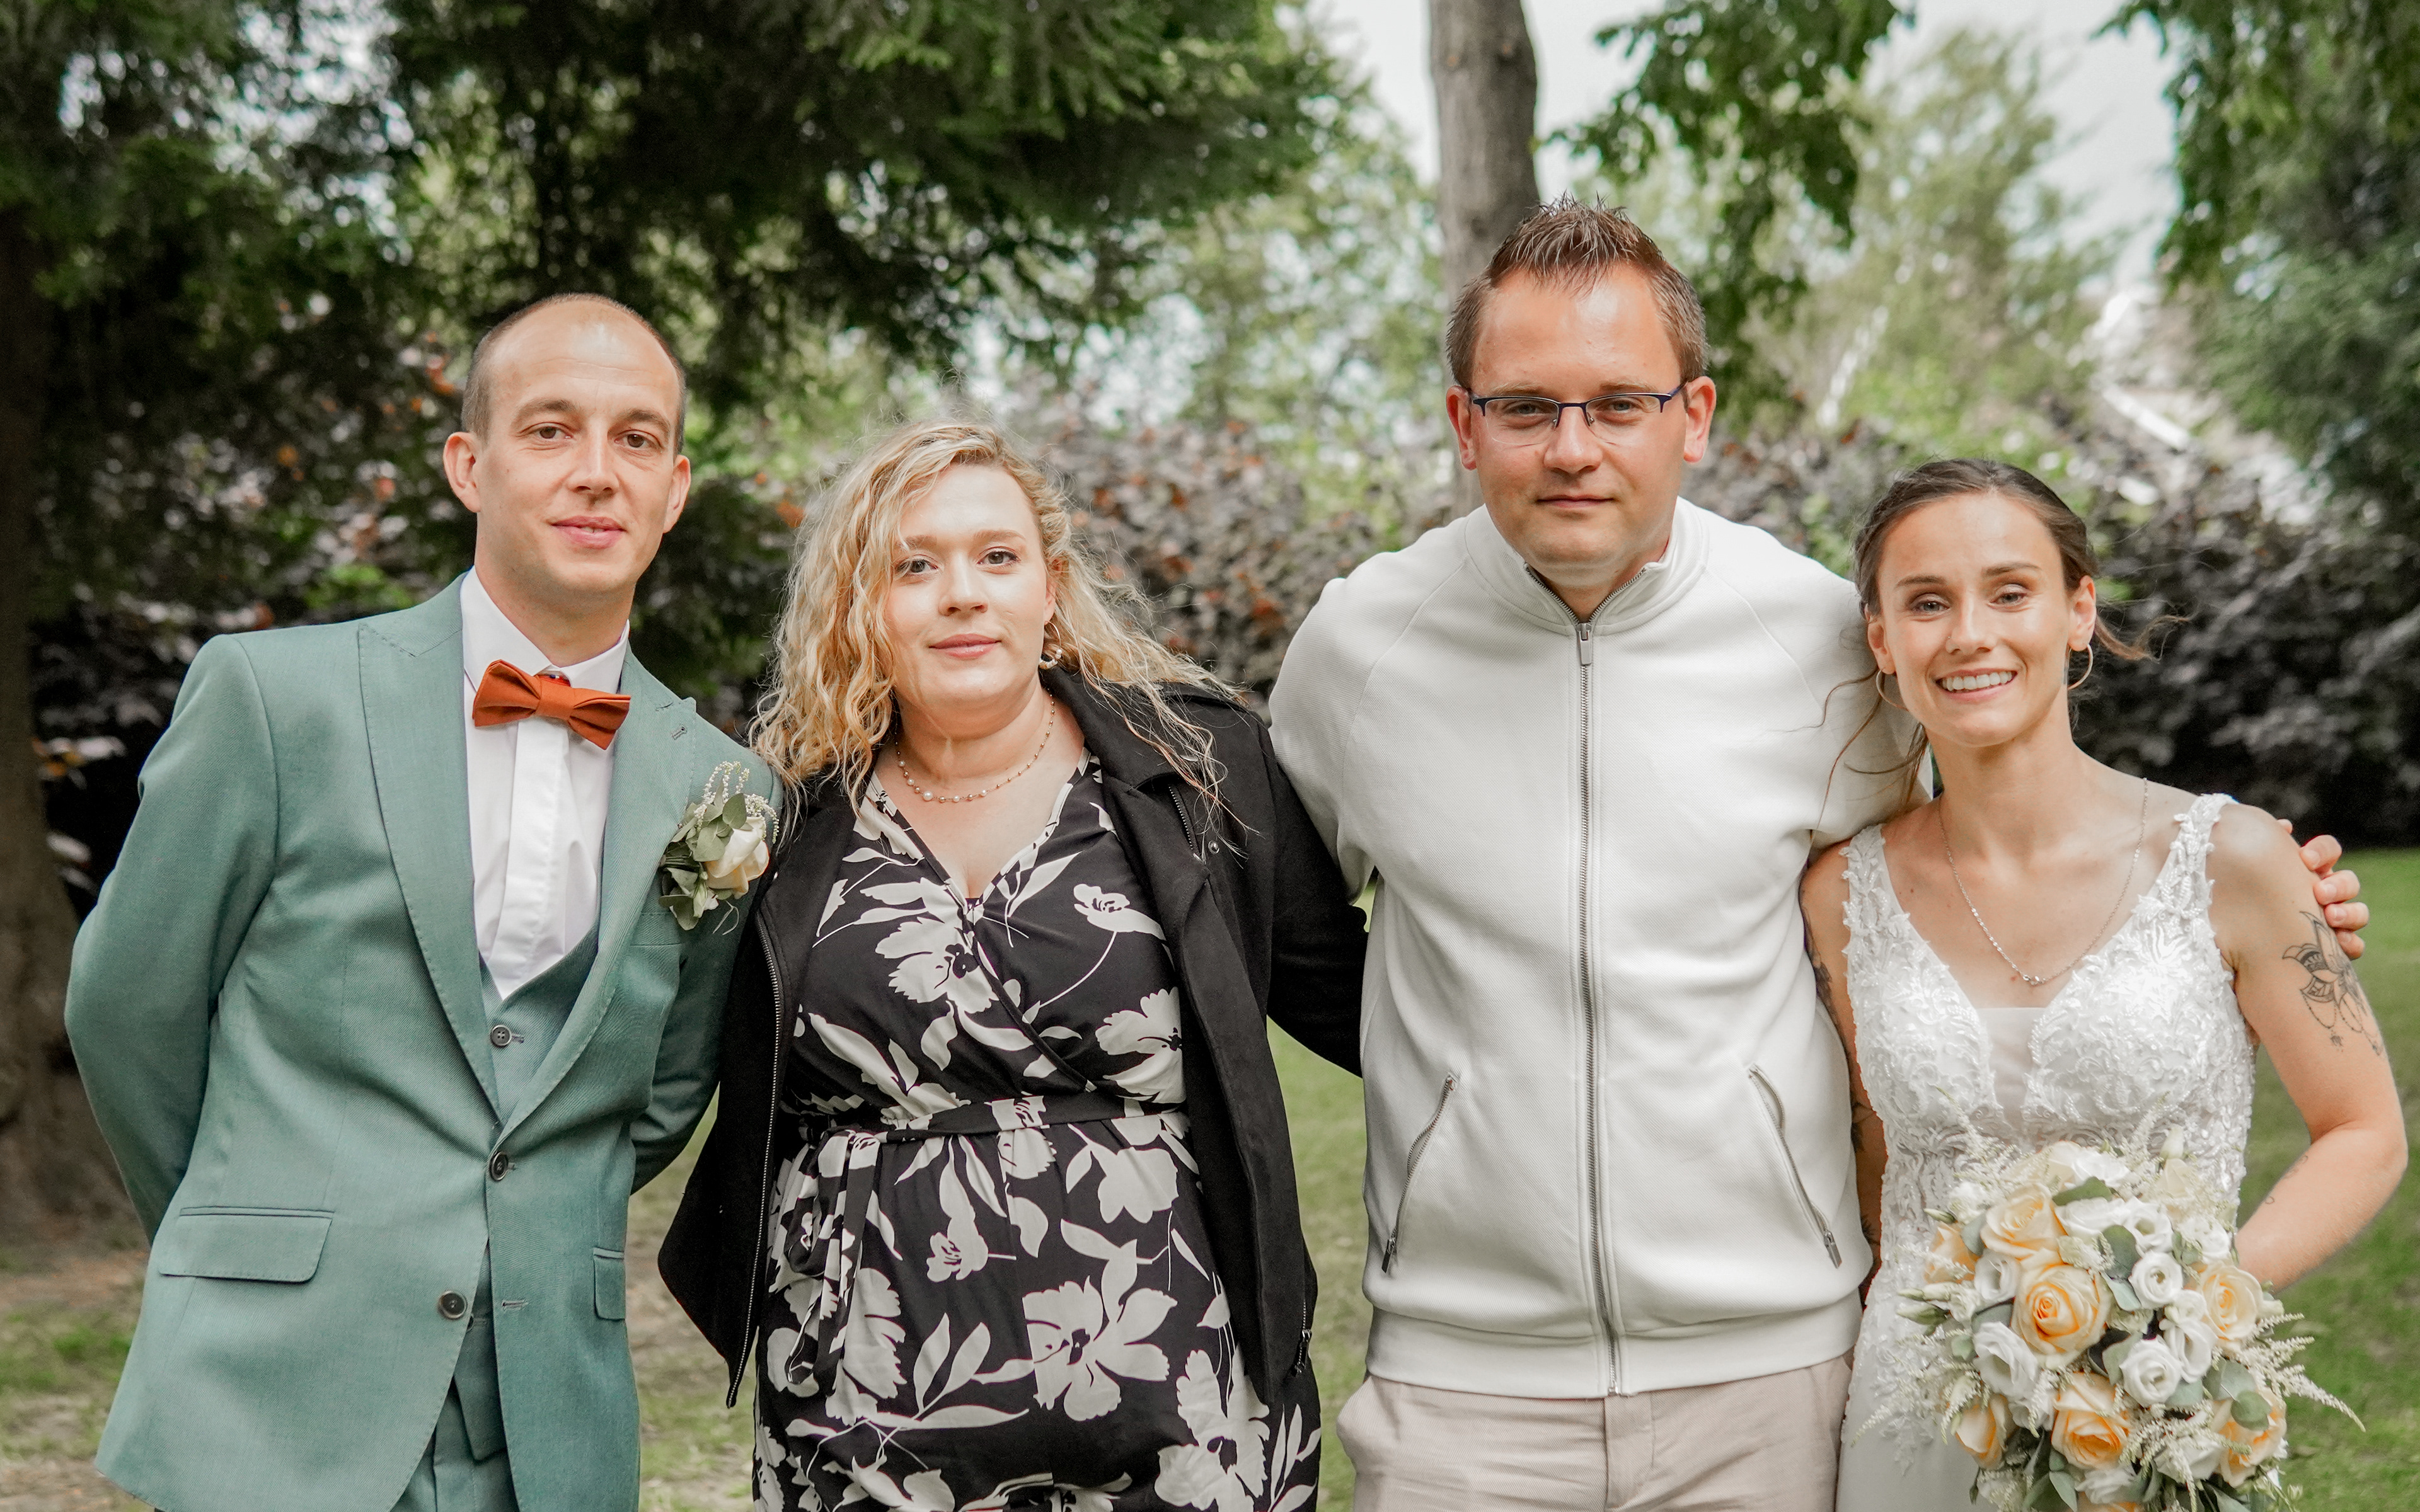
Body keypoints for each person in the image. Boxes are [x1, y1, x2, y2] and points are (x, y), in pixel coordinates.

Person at [1264, 200, 2368, 1512]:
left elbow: (1962, 873)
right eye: (1525, 408)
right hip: (1464, 1389)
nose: (1573, 447)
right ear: (1465, 423)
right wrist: (1459, 1076)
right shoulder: (1359, 651)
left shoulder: (1817, 639)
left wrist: (2247, 910)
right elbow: (1282, 934)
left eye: (1619, 404)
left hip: (1773, 1376)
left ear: (1695, 415)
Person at [64, 294, 773, 1512]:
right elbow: (130, 1005)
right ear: (468, 465)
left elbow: (667, 1087)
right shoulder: (277, 700)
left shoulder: (726, 788)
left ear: (674, 490)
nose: (597, 471)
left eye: (637, 438)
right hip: (274, 1389)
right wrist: (251, 1231)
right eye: (550, 429)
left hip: (547, 1421)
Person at [657, 420, 1366, 1511]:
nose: (963, 595)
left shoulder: (1201, 772)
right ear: (859, 606)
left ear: (1051, 588)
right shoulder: (778, 815)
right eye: (914, 566)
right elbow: (653, 1038)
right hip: (863, 1400)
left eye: (997, 557)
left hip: (1179, 1387)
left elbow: (1378, 1009)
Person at [1810, 459, 2406, 1510]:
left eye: (2010, 592)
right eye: (1927, 603)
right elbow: (1870, 1158)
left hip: (2156, 1406)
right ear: (1882, 639)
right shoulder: (1839, 895)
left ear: (2078, 611)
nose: (1970, 635)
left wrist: (2187, 1312)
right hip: (1915, 1421)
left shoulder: (2236, 859)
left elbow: (2364, 1131)